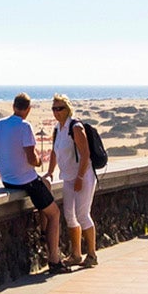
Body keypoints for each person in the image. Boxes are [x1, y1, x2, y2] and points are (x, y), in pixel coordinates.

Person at [0, 93, 66, 268]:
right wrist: (40, 161)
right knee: (55, 213)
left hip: (7, 180)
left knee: (46, 184)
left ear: (13, 107)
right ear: (28, 109)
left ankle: (43, 230)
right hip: (25, 180)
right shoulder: (25, 126)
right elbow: (31, 158)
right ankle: (54, 260)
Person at [47, 94, 97, 268]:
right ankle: (76, 254)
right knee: (70, 216)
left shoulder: (75, 127)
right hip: (68, 178)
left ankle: (91, 255)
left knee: (83, 215)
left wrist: (80, 177)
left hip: (83, 176)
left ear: (67, 109)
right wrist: (49, 172)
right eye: (54, 108)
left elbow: (86, 154)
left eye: (59, 108)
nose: (56, 112)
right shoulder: (58, 129)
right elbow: (54, 152)